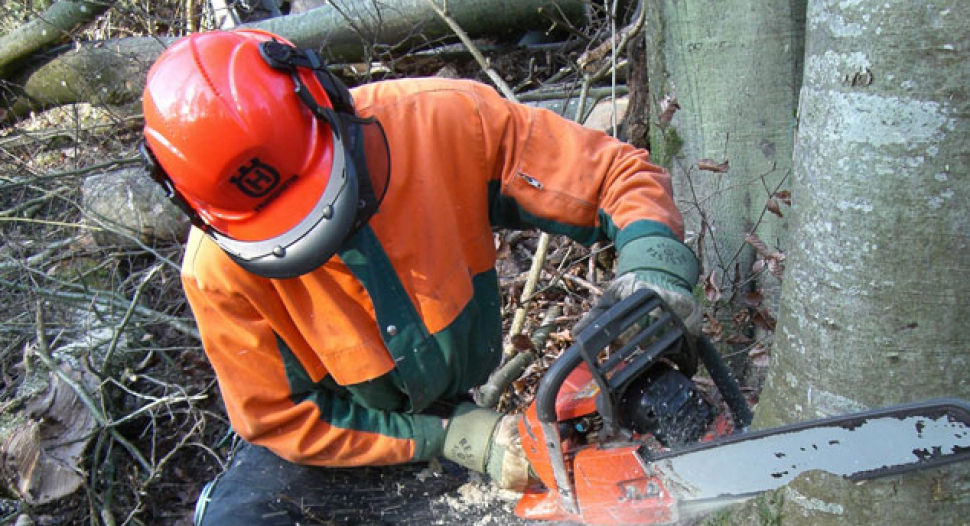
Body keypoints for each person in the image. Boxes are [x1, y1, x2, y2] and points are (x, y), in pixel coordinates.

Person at [140, 28, 701, 525]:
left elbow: (611, 174)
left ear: (326, 99)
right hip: (342, 442)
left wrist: (654, 264)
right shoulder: (217, 272)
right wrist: (456, 435)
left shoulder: (441, 123)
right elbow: (282, 417)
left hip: (456, 401)